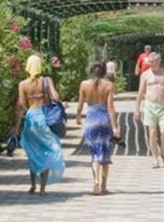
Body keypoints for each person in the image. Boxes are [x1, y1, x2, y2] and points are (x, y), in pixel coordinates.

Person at [12, 54, 65, 195]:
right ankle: (43, 187)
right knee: (46, 151)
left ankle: (33, 185)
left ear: (28, 67)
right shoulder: (46, 81)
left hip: (31, 120)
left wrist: (16, 128)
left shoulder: (22, 84)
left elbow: (21, 106)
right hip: (45, 119)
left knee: (33, 153)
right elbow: (56, 97)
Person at [76, 62, 121, 195]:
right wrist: (115, 126)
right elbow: (111, 107)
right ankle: (104, 186)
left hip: (91, 120)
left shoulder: (84, 84)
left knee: (95, 153)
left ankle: (95, 179)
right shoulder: (109, 85)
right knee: (105, 152)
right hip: (104, 120)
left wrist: (78, 118)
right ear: (104, 71)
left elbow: (79, 105)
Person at [135, 52, 164, 168]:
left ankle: (162, 150)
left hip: (163, 106)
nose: (149, 64)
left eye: (151, 62)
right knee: (152, 133)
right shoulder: (145, 75)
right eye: (149, 62)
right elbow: (140, 92)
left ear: (158, 61)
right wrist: (137, 109)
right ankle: (155, 159)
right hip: (149, 106)